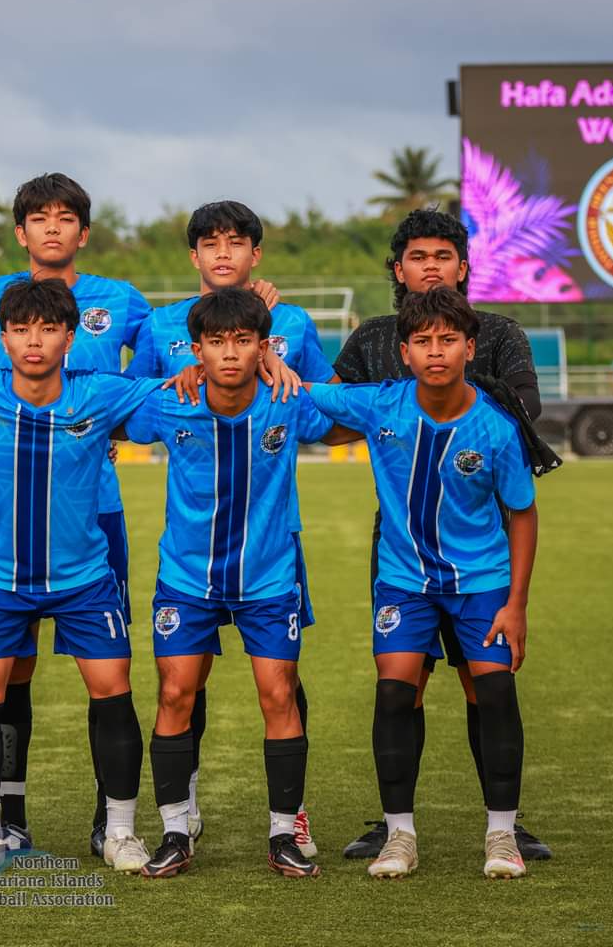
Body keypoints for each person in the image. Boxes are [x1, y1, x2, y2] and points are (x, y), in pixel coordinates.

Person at [0, 277, 164, 873]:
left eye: (48, 329)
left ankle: (120, 831)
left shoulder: (100, 392)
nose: (34, 341)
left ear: (70, 337)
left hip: (83, 579)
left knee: (113, 691)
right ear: (2, 338)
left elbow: (182, 389)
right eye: (21, 330)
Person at [333, 208, 551, 862]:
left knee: (486, 683)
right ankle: (395, 826)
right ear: (398, 269)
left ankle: (505, 824)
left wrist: (439, 397)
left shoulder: (500, 333)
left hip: (477, 540)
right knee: (403, 681)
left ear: (463, 266)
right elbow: (334, 412)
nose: (431, 266)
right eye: (418, 256)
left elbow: (523, 408)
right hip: (401, 544)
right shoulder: (372, 339)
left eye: (443, 255)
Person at [121, 287, 356, 879]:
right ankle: (176, 831)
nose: (230, 353)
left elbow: (352, 414)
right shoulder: (169, 401)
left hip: (267, 578)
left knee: (278, 696)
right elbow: (107, 412)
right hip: (187, 578)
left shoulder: (288, 400)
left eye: (244, 341)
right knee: (175, 694)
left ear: (263, 347)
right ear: (196, 348)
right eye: (217, 342)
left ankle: (284, 834)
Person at [0, 172, 150, 853]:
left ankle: (111, 823)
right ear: (21, 231)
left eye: (65, 218)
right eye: (39, 218)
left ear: (83, 232)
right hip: (10, 528)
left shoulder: (122, 299)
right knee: (8, 674)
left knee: (108, 672)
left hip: (95, 514)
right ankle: (5, 820)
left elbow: (164, 364)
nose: (52, 228)